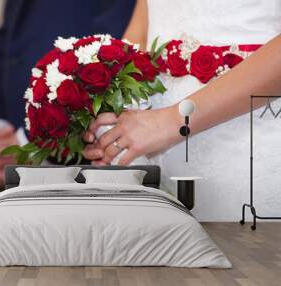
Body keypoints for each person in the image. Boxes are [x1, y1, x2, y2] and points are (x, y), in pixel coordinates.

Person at [83, 0, 281, 220]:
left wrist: (170, 121)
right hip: (147, 144)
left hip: (246, 144)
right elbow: (145, 20)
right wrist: (114, 114)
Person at [0, 0, 136, 184]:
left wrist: (34, 143)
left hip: (83, 165)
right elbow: (8, 35)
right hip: (15, 157)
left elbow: (114, 44)